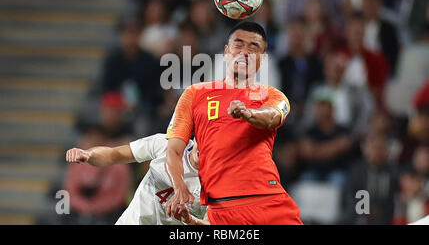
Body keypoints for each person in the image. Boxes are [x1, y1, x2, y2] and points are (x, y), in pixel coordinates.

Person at [164, 21, 302, 225]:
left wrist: (248, 114)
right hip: (221, 210)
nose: (244, 52)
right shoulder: (194, 94)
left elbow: (273, 116)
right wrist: (179, 188)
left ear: (262, 59)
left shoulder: (273, 95)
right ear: (227, 52)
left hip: (270, 204)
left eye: (253, 47)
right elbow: (174, 150)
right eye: (238, 44)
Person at [66, 133, 208, 225]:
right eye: (204, 137)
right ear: (196, 136)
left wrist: (190, 220)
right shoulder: (165, 144)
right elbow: (115, 154)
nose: (205, 147)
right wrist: (88, 155)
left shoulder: (220, 182)